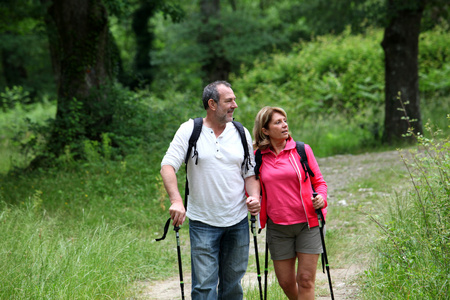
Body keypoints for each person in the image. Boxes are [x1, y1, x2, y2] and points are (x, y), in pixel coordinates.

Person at [160, 81, 261, 300]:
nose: (235, 105)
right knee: (204, 288)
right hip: (203, 222)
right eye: (229, 101)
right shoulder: (190, 130)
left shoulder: (241, 132)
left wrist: (254, 196)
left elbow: (250, 174)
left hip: (237, 221)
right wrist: (176, 200)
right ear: (212, 104)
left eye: (234, 99)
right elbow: (167, 166)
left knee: (233, 287)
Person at [253, 106, 328, 300]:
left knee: (305, 279)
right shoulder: (258, 157)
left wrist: (321, 198)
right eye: (277, 122)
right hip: (277, 227)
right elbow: (253, 187)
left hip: (308, 223)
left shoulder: (301, 150)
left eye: (284, 121)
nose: (285, 125)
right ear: (265, 130)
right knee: (286, 282)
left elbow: (319, 182)